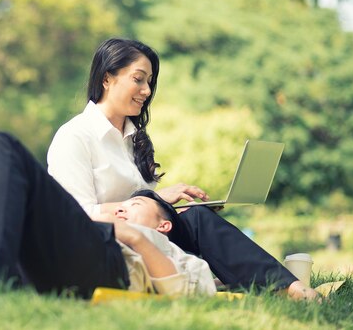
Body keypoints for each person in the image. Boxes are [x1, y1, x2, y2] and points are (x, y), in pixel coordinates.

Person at [44, 37, 317, 300]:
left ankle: (279, 283)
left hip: (150, 239)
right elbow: (73, 215)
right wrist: (148, 207)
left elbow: (140, 207)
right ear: (106, 78)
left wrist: (162, 204)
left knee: (195, 217)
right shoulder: (75, 137)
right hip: (108, 244)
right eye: (138, 79)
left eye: (149, 82)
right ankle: (288, 288)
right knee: (197, 221)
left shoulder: (132, 139)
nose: (147, 91)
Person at [0, 133, 216, 298]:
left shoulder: (173, 252)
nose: (125, 206)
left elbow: (185, 294)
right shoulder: (99, 223)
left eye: (137, 205)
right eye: (124, 205)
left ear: (164, 224)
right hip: (37, 261)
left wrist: (132, 234)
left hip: (106, 258)